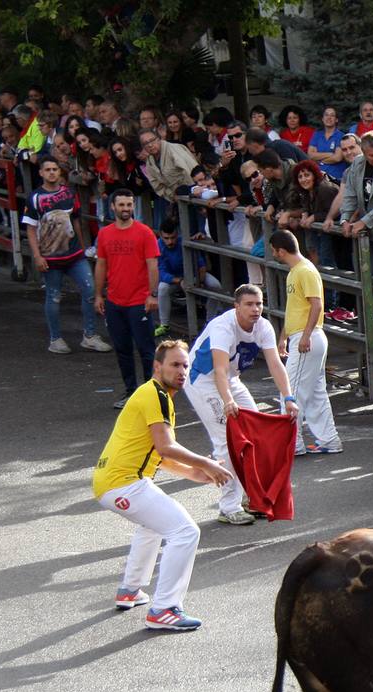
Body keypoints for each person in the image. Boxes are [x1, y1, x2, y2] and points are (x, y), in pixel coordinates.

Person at [93, 339, 233, 630]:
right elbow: (167, 447)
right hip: (123, 484)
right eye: (175, 365)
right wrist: (204, 464)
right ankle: (165, 608)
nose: (182, 371)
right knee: (185, 531)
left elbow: (157, 453)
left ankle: (130, 590)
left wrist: (194, 473)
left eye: (185, 365)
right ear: (157, 367)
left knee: (154, 525)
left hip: (115, 481)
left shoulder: (156, 395)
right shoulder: (154, 395)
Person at [182, 284, 300, 526]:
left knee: (255, 435)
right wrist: (228, 401)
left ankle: (253, 498)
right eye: (249, 304)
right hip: (203, 381)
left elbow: (275, 364)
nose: (255, 309)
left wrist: (288, 398)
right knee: (226, 440)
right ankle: (228, 506)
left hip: (230, 379)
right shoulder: (223, 327)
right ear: (236, 307)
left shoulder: (263, 327)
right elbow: (219, 369)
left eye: (258, 304)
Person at [24, 157, 111, 355]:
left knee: (90, 290)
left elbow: (76, 222)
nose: (52, 173)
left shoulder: (70, 194)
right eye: (48, 169)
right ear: (41, 173)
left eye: (55, 169)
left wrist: (82, 247)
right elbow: (30, 228)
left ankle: (90, 335)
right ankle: (55, 338)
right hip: (50, 257)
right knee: (53, 296)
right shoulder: (35, 198)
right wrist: (37, 256)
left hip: (74, 254)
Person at [271, 228, 342, 457]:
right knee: (314, 393)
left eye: (274, 251)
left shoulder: (304, 271)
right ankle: (328, 439)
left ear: (281, 250)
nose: (274, 255)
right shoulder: (296, 272)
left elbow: (317, 305)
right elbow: (296, 309)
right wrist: (284, 337)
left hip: (307, 337)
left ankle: (293, 443)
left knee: (290, 391)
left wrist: (303, 336)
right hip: (303, 336)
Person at [94, 189, 160, 408]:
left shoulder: (144, 233)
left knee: (146, 349)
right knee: (122, 349)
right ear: (112, 206)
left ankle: (152, 393)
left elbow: (152, 265)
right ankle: (131, 392)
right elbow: (101, 264)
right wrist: (98, 295)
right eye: (121, 205)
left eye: (129, 205)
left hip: (139, 301)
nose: (125, 209)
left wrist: (152, 294)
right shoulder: (104, 234)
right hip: (115, 301)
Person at [307, 106, 349, 181]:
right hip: (318, 177)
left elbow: (337, 158)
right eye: (326, 115)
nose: (329, 117)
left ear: (336, 120)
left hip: (336, 178)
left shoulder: (341, 136)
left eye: (332, 115)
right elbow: (310, 155)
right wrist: (330, 154)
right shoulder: (317, 135)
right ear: (322, 119)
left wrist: (318, 159)